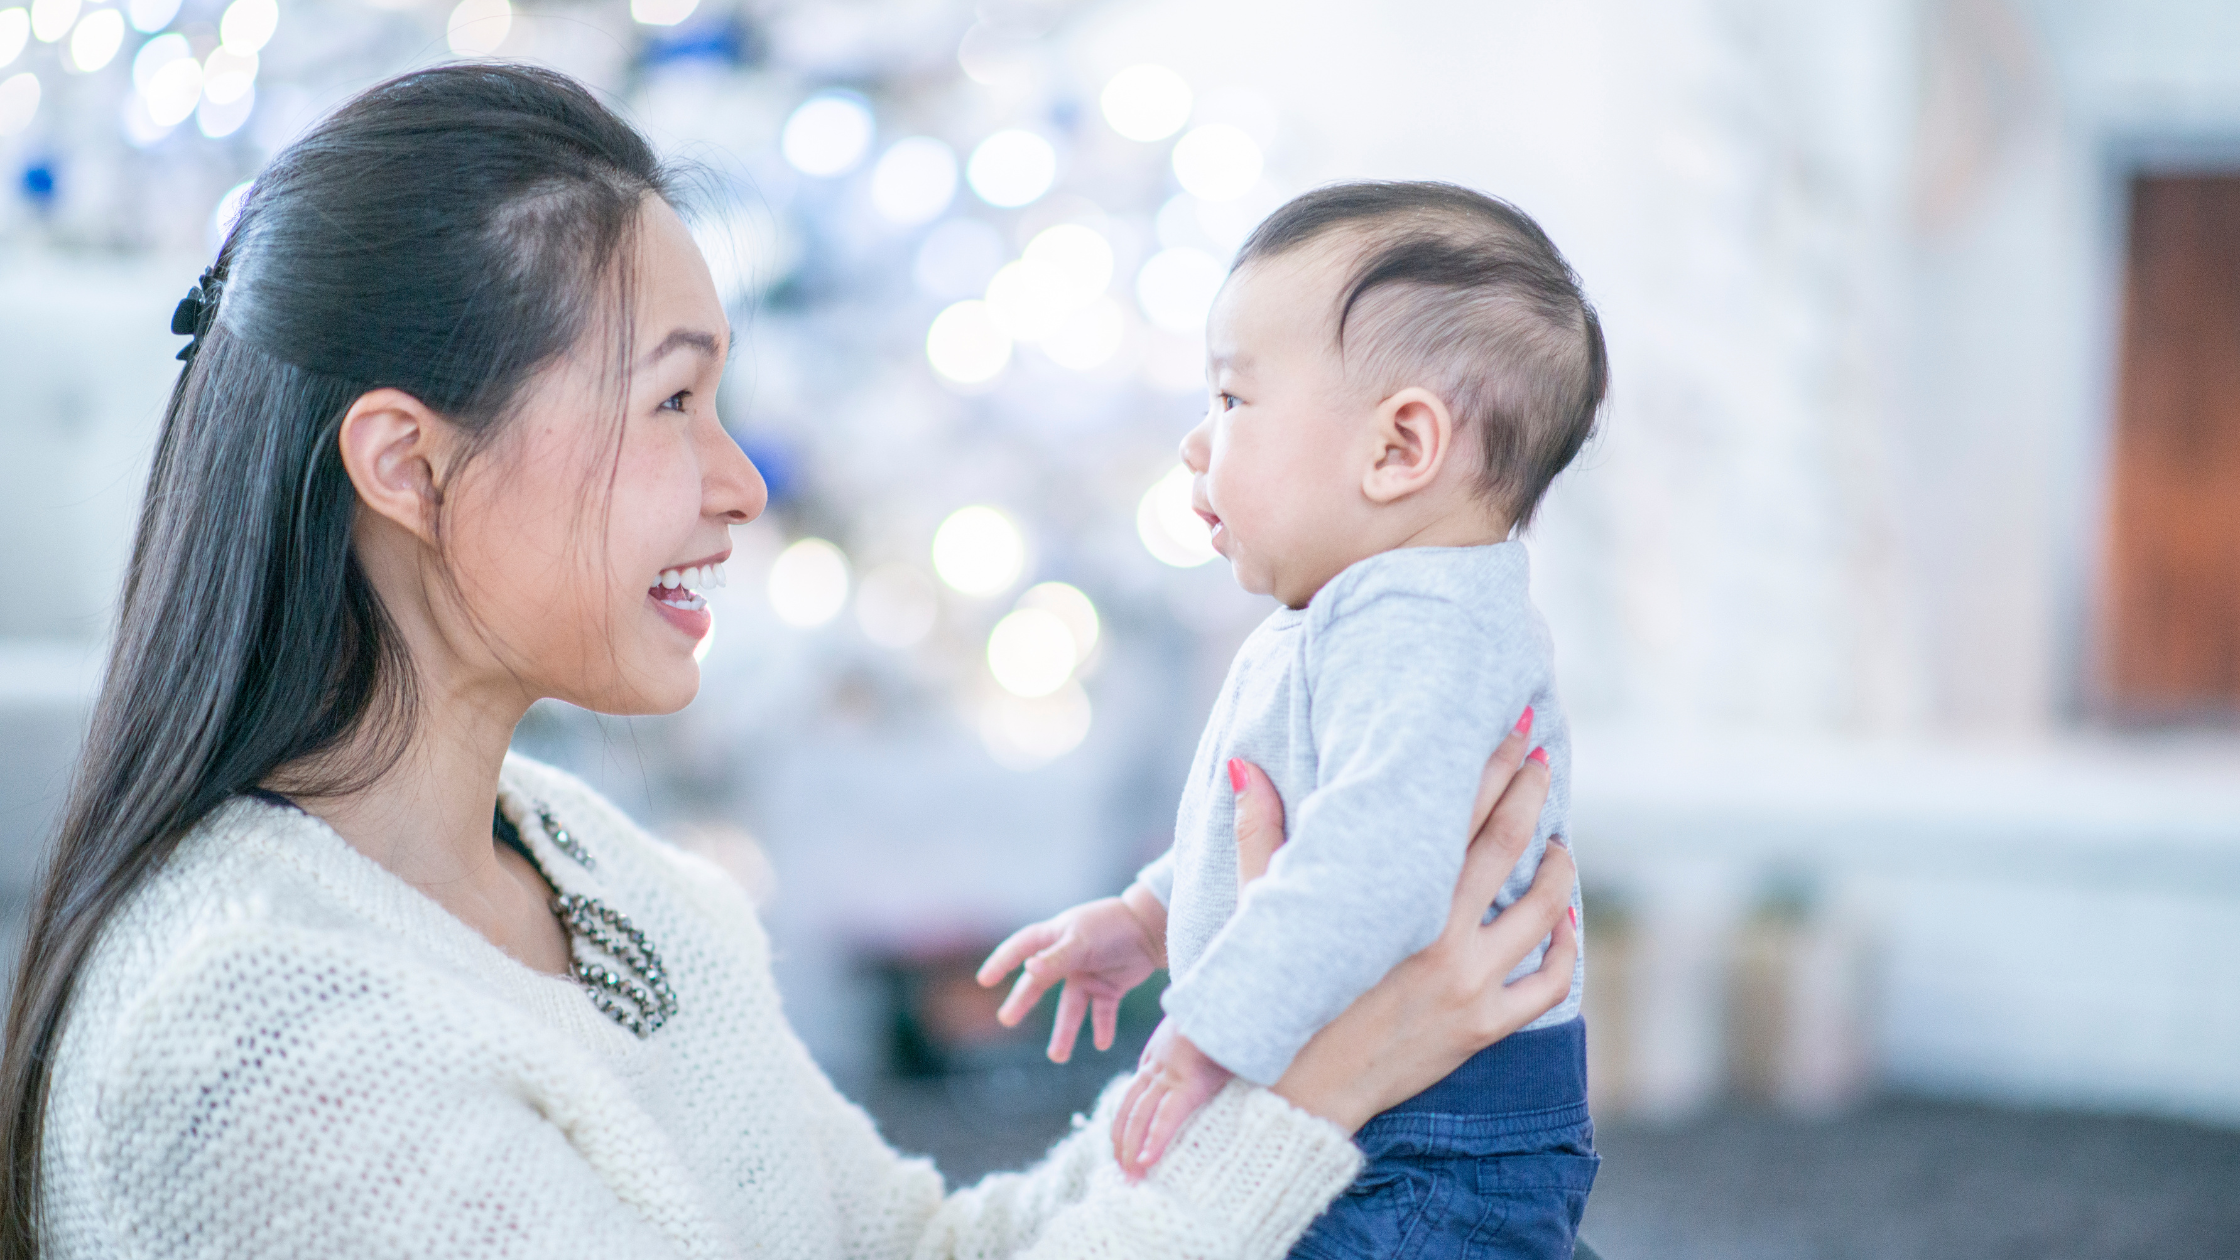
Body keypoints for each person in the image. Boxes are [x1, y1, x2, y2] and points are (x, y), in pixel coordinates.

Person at [0, 67, 1581, 1260]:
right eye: (672, 401)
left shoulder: (611, 882)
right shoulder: (267, 1050)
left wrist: (1276, 1093)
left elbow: (916, 1254)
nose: (744, 484)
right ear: (409, 469)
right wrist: (1303, 1096)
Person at [978, 182, 1606, 1258]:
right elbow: (1313, 825)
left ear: (1399, 447)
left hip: (1435, 1137)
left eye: (1230, 401)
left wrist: (1206, 1033)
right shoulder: (1356, 614)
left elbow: (1374, 862)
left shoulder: (1425, 624)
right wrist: (1145, 917)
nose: (1192, 446)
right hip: (1391, 1100)